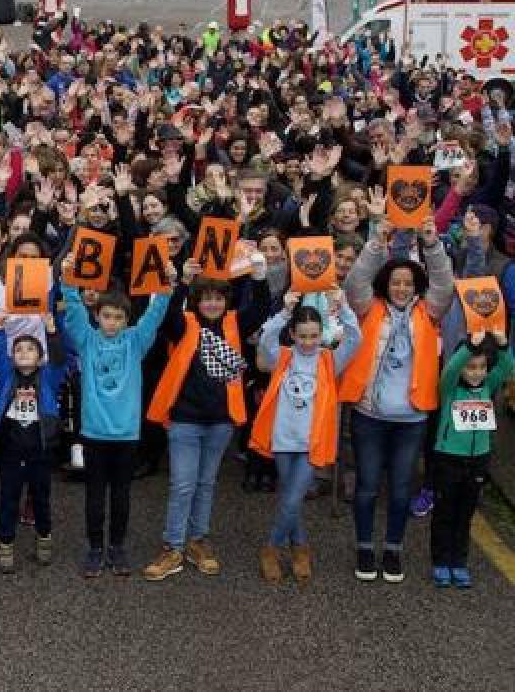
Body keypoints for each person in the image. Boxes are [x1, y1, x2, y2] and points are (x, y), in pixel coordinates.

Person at [143, 253, 271, 581]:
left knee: (206, 483)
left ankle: (198, 541)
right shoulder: (184, 323)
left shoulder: (234, 323)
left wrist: (258, 277)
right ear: (197, 301)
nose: (212, 304)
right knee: (183, 484)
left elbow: (258, 309)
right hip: (185, 418)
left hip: (220, 421)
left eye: (218, 298)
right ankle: (173, 546)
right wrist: (183, 282)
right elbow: (167, 313)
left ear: (225, 301)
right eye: (206, 298)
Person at [340, 216, 454, 583]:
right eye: (395, 282)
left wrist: (432, 244)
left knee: (402, 489)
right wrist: (378, 239)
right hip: (369, 414)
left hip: (412, 418)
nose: (402, 288)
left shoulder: (430, 311)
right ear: (385, 284)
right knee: (368, 486)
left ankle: (393, 549)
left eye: (408, 283)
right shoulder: (366, 307)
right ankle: (363, 547)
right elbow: (355, 280)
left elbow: (443, 284)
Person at [61, 275, 172, 578]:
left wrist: (167, 285)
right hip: (94, 434)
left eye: (118, 318)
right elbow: (72, 308)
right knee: (94, 496)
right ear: (96, 316)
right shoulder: (86, 339)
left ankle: (117, 547)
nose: (111, 323)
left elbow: (156, 313)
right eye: (106, 316)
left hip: (126, 435)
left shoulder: (136, 341)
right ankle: (95, 548)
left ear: (126, 320)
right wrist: (68, 281)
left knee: (121, 495)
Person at [252, 291, 360, 584]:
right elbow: (265, 340)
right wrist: (285, 312)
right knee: (290, 497)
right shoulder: (282, 357)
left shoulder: (328, 361)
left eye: (314, 336)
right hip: (283, 439)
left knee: (293, 498)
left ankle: (271, 549)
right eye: (303, 336)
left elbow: (355, 339)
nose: (309, 342)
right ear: (293, 334)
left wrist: (344, 307)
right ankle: (300, 550)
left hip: (311, 442)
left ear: (321, 334)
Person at [429, 330, 513, 588]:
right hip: (448, 458)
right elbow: (451, 370)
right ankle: (441, 561)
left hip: (478, 459)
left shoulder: (488, 386)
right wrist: (468, 347)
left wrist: (502, 344)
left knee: (465, 514)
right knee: (445, 512)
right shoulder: (450, 389)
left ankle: (459, 562)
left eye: (481, 368)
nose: (476, 373)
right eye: (471, 367)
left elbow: (507, 367)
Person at [0, 312, 66, 573]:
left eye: (30, 348)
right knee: (8, 498)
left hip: (39, 452)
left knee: (41, 498)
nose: (23, 352)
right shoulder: (6, 379)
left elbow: (58, 361)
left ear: (39, 356)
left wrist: (52, 331)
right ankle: (6, 544)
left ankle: (44, 537)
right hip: (10, 453)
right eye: (18, 349)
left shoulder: (48, 380)